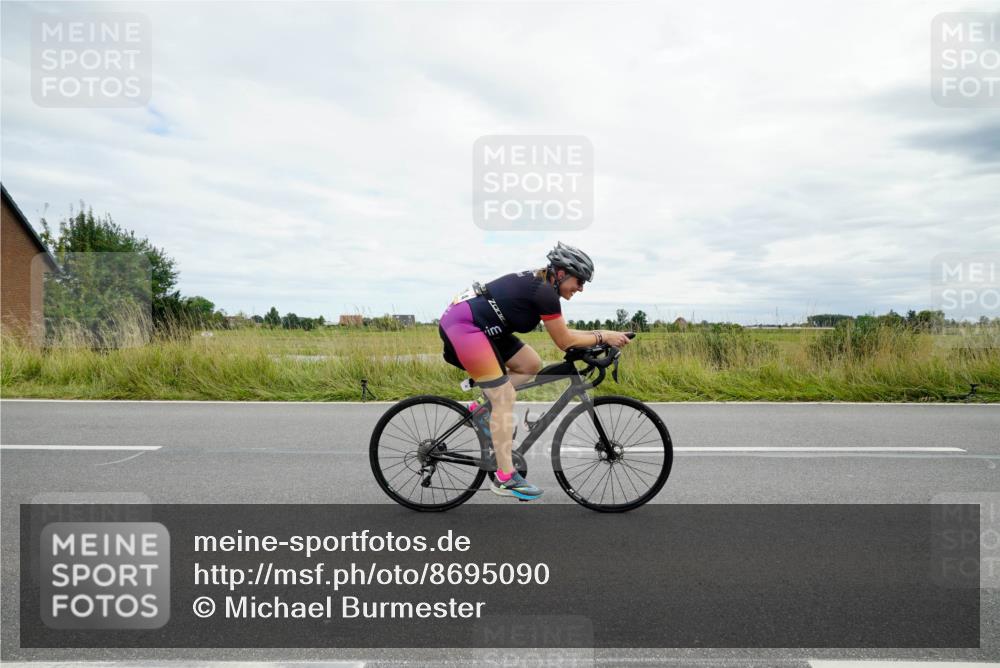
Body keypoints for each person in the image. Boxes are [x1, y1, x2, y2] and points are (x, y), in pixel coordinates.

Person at [438, 242, 632, 501]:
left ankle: (481, 410)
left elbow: (567, 334)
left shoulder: (543, 287)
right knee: (504, 396)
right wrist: (603, 336)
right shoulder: (543, 291)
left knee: (529, 364)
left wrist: (605, 337)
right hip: (464, 327)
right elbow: (565, 342)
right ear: (561, 273)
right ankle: (505, 478)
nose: (581, 288)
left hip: (483, 327)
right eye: (579, 281)